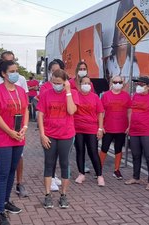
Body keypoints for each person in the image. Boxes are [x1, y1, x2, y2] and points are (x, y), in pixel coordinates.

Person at [0, 60, 29, 225]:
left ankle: (6, 201)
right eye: (12, 71)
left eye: (16, 70)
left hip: (19, 137)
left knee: (12, 171)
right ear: (3, 73)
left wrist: (25, 127)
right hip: (3, 138)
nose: (15, 73)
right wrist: (10, 131)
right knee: (3, 174)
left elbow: (25, 109)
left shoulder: (20, 90)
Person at [37, 69, 79, 209]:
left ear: (65, 82)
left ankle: (63, 195)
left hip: (66, 135)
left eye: (59, 83)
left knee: (65, 164)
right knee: (49, 164)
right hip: (49, 134)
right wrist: (42, 134)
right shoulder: (45, 94)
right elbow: (40, 115)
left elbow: (71, 111)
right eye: (54, 82)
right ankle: (48, 195)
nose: (56, 85)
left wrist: (67, 91)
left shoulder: (72, 93)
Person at [36, 59, 65, 192]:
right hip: (50, 127)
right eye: (53, 71)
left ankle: (54, 175)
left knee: (60, 155)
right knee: (50, 156)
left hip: (64, 128)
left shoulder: (67, 86)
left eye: (58, 70)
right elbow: (42, 109)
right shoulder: (46, 87)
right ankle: (51, 177)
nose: (55, 73)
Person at [73, 76, 105, 186]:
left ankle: (99, 175)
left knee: (93, 152)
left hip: (92, 128)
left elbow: (100, 113)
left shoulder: (95, 97)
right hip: (78, 128)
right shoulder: (75, 95)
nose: (86, 85)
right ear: (80, 84)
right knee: (80, 151)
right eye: (84, 83)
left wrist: (100, 128)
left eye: (88, 83)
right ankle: (81, 174)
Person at [99, 75, 131, 180]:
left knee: (118, 149)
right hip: (108, 127)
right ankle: (99, 169)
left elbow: (129, 111)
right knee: (104, 148)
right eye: (115, 82)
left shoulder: (126, 96)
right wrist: (101, 126)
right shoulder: (105, 96)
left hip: (121, 128)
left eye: (120, 82)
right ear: (111, 83)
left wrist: (129, 125)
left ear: (123, 83)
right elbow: (101, 112)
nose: (117, 84)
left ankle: (116, 170)